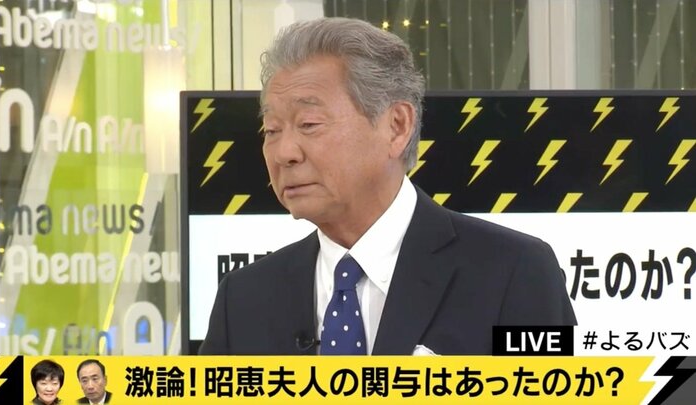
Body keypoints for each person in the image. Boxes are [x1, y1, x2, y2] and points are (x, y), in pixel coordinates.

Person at [198, 17, 576, 355]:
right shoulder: (242, 299)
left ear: (396, 126)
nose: (284, 153)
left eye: (309, 124)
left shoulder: (515, 272)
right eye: (271, 130)